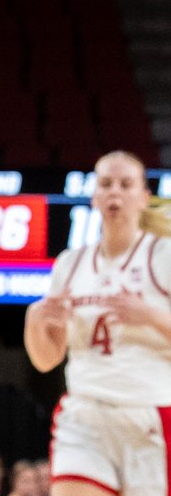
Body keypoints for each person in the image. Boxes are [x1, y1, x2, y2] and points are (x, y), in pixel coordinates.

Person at [24, 150, 171, 496]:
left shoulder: (162, 256)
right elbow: (46, 359)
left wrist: (150, 316)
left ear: (143, 197)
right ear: (94, 196)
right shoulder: (70, 264)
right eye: (105, 184)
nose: (114, 192)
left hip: (149, 412)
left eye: (125, 184)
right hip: (85, 413)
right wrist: (35, 321)